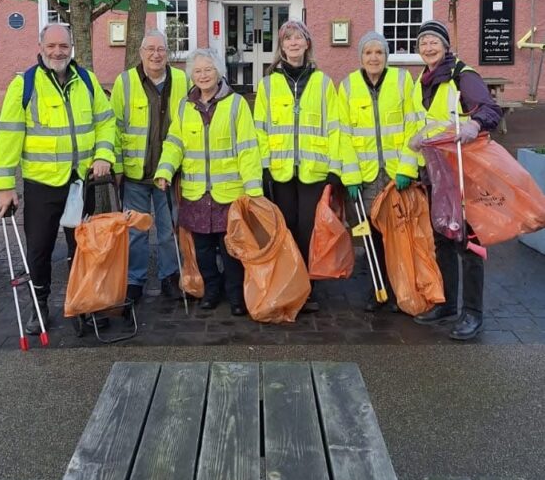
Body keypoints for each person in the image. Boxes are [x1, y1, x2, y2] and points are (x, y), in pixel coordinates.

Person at [0, 23, 115, 333]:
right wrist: (5, 186)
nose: (58, 51)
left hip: (80, 182)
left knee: (83, 248)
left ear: (72, 47)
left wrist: (103, 155)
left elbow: (106, 122)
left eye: (63, 46)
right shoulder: (25, 85)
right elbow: (8, 137)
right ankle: (39, 306)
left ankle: (83, 303)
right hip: (41, 184)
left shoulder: (85, 80)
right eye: (52, 46)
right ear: (41, 46)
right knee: (39, 249)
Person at [410, 19, 502, 341]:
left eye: (434, 41)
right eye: (423, 42)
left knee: (468, 242)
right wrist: (417, 139)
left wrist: (474, 125)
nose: (428, 47)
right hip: (436, 172)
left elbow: (491, 109)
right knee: (443, 238)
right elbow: (425, 121)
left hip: (464, 171)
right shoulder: (422, 81)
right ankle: (448, 304)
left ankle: (473, 313)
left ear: (446, 46)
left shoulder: (463, 75)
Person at [154, 48, 262, 315]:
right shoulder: (185, 106)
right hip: (196, 192)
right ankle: (212, 290)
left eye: (208, 70)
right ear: (192, 75)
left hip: (229, 193)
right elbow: (175, 142)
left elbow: (248, 149)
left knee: (231, 249)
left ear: (219, 73)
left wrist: (254, 189)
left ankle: (236, 295)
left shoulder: (236, 104)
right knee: (202, 249)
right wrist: (165, 171)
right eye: (198, 71)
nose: (203, 75)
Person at [253, 20, 340, 313]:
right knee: (286, 227)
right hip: (280, 170)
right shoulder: (267, 84)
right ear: (281, 46)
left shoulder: (323, 82)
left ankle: (307, 286)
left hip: (314, 169)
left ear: (307, 44)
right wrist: (263, 166)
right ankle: (288, 282)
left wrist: (334, 167)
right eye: (287, 39)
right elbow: (260, 129)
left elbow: (334, 127)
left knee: (308, 228)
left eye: (298, 38)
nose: (293, 43)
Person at [338, 30, 421, 312]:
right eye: (368, 53)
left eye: (379, 52)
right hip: (366, 175)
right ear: (360, 57)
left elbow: (414, 127)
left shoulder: (402, 81)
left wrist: (408, 167)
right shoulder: (348, 86)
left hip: (397, 174)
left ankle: (403, 290)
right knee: (372, 234)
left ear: (386, 56)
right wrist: (350, 176)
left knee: (400, 234)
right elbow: (343, 135)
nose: (374, 58)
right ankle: (379, 289)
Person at [111, 30, 188, 307]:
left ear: (168, 53)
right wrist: (117, 167)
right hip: (135, 173)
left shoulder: (181, 79)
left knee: (168, 230)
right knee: (136, 232)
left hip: (169, 173)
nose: (156, 55)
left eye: (162, 49)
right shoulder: (125, 82)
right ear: (141, 52)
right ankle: (135, 281)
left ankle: (170, 277)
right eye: (150, 49)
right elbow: (115, 127)